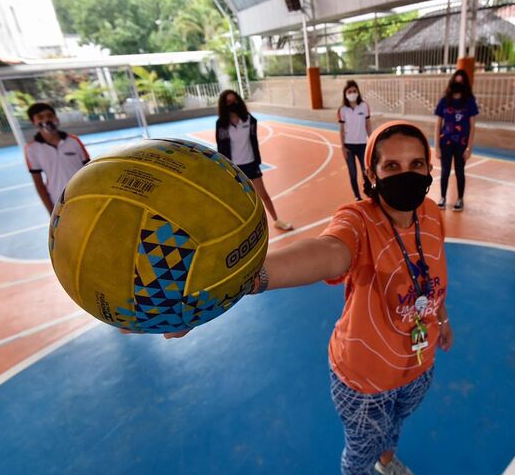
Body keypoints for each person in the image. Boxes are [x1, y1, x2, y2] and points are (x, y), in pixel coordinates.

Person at [169, 121, 453, 475]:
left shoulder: (431, 214)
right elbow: (327, 253)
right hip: (366, 379)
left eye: (417, 164)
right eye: (391, 166)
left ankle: (386, 462)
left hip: (418, 365)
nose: (406, 174)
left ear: (429, 168)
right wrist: (233, 280)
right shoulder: (359, 221)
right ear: (372, 173)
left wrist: (441, 318)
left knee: (394, 427)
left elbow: (432, 276)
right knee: (360, 450)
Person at [215, 90, 293, 231]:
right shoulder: (222, 125)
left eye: (234, 100)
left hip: (251, 163)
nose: (232, 104)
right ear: (224, 105)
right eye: (228, 102)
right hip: (234, 168)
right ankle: (242, 229)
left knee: (263, 194)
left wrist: (257, 160)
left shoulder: (249, 120)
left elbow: (253, 141)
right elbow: (221, 148)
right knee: (239, 201)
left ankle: (276, 220)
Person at [24, 102, 90, 213]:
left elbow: (90, 169)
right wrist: (52, 211)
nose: (46, 120)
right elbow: (39, 184)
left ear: (56, 118)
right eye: (40, 117)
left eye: (49, 115)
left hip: (85, 195)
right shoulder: (31, 149)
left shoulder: (74, 141)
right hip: (60, 203)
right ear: (33, 122)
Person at [434, 69, 479, 211]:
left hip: (461, 144)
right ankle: (442, 197)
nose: (458, 84)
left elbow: (472, 126)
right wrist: (437, 146)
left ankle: (460, 199)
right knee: (445, 171)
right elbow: (438, 124)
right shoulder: (444, 101)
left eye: (461, 81)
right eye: (456, 81)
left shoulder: (469, 102)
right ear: (452, 82)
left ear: (465, 84)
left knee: (460, 172)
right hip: (445, 142)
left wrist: (469, 148)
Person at [338, 80, 372, 201]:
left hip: (363, 145)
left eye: (354, 91)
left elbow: (368, 125)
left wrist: (371, 140)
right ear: (345, 94)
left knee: (366, 172)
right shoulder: (342, 110)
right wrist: (343, 147)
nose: (352, 93)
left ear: (358, 92)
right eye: (349, 91)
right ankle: (357, 196)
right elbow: (341, 129)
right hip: (349, 146)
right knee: (352, 173)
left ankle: (369, 193)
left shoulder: (364, 106)